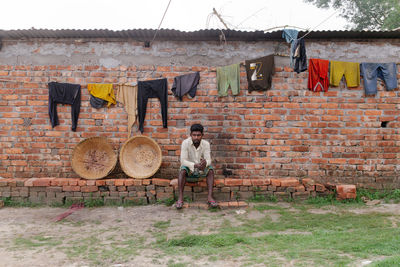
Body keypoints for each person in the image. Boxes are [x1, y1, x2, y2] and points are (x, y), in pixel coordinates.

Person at [176, 123, 217, 209]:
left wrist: (205, 163)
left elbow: (209, 159)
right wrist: (194, 165)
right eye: (194, 135)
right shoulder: (185, 143)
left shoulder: (206, 144)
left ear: (202, 135)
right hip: (189, 170)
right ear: (190, 135)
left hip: (201, 170)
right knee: (182, 170)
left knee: (210, 170)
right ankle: (180, 198)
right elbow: (183, 161)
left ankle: (210, 197)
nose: (196, 137)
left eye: (198, 135)